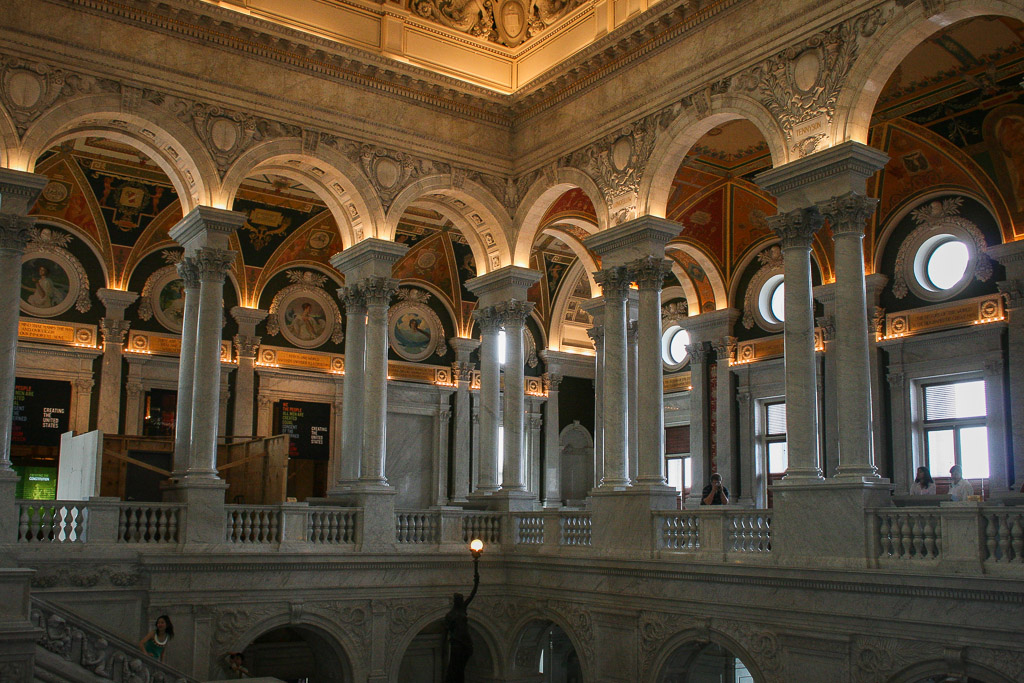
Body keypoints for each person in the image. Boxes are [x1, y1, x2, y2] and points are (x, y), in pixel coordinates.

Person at [442, 556, 480, 683]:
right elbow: (446, 632)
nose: (461, 600)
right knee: (455, 668)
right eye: (459, 599)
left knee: (461, 668)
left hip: (465, 641)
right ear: (455, 601)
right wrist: (443, 647)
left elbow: (473, 593)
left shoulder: (462, 608)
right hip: (457, 643)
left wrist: (476, 578)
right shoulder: (451, 615)